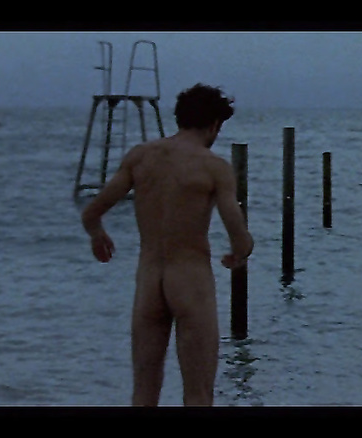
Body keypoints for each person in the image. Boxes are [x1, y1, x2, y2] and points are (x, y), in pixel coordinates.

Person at [81, 83, 254, 406]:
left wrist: (97, 234)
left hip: (149, 282)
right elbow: (238, 234)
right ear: (215, 124)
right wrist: (240, 253)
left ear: (180, 117)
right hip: (190, 281)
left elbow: (92, 212)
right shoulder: (213, 167)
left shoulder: (140, 157)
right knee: (198, 394)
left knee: (144, 393)